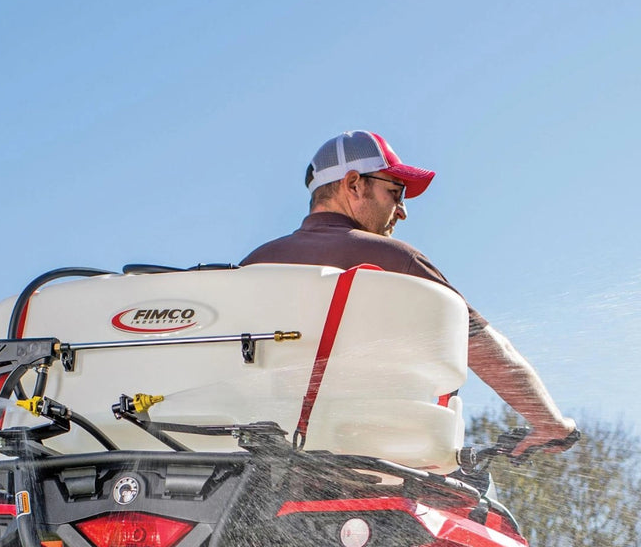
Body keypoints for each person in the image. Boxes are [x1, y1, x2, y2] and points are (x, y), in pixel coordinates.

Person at [242, 130, 576, 457]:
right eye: (395, 192)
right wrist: (550, 424)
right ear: (354, 184)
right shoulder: (395, 260)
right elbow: (485, 349)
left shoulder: (250, 267)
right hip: (369, 460)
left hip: (245, 457)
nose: (402, 210)